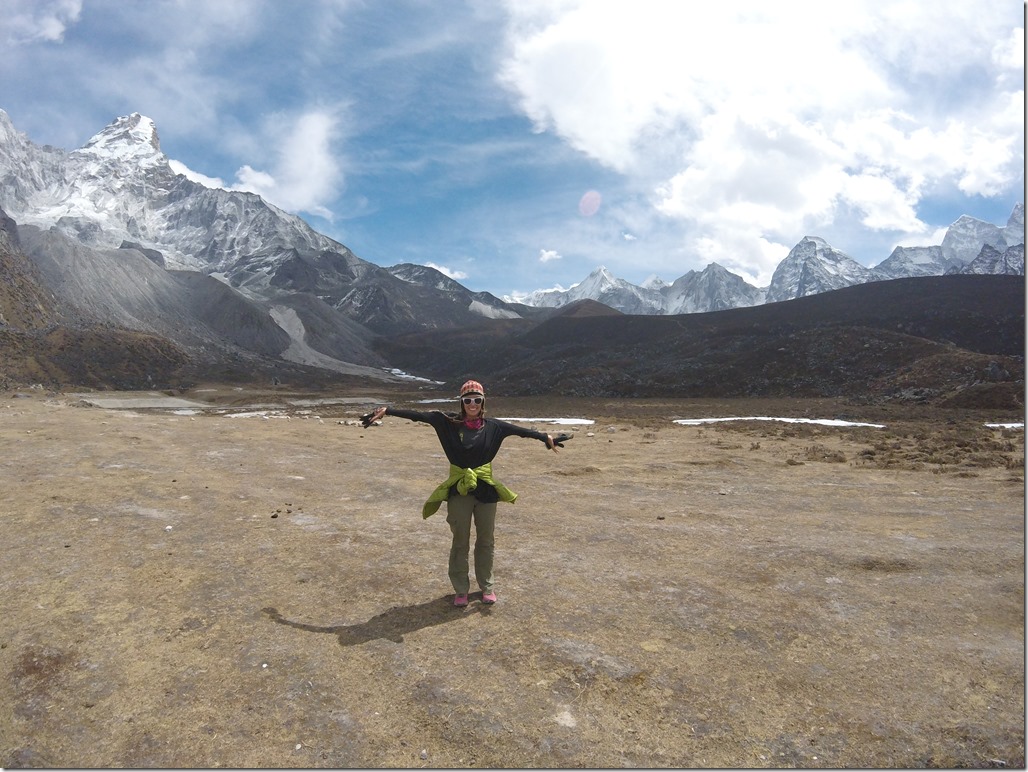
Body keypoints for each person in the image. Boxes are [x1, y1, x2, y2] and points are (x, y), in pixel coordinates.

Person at [362, 380, 570, 607]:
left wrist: (545, 438)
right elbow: (418, 415)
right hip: (459, 489)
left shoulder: (494, 427)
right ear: (461, 403)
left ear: (483, 403)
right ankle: (461, 589)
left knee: (486, 540)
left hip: (486, 491)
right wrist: (388, 411)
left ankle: (487, 586)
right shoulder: (446, 422)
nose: (473, 404)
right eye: (468, 400)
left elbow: (521, 432)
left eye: (477, 400)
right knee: (460, 540)